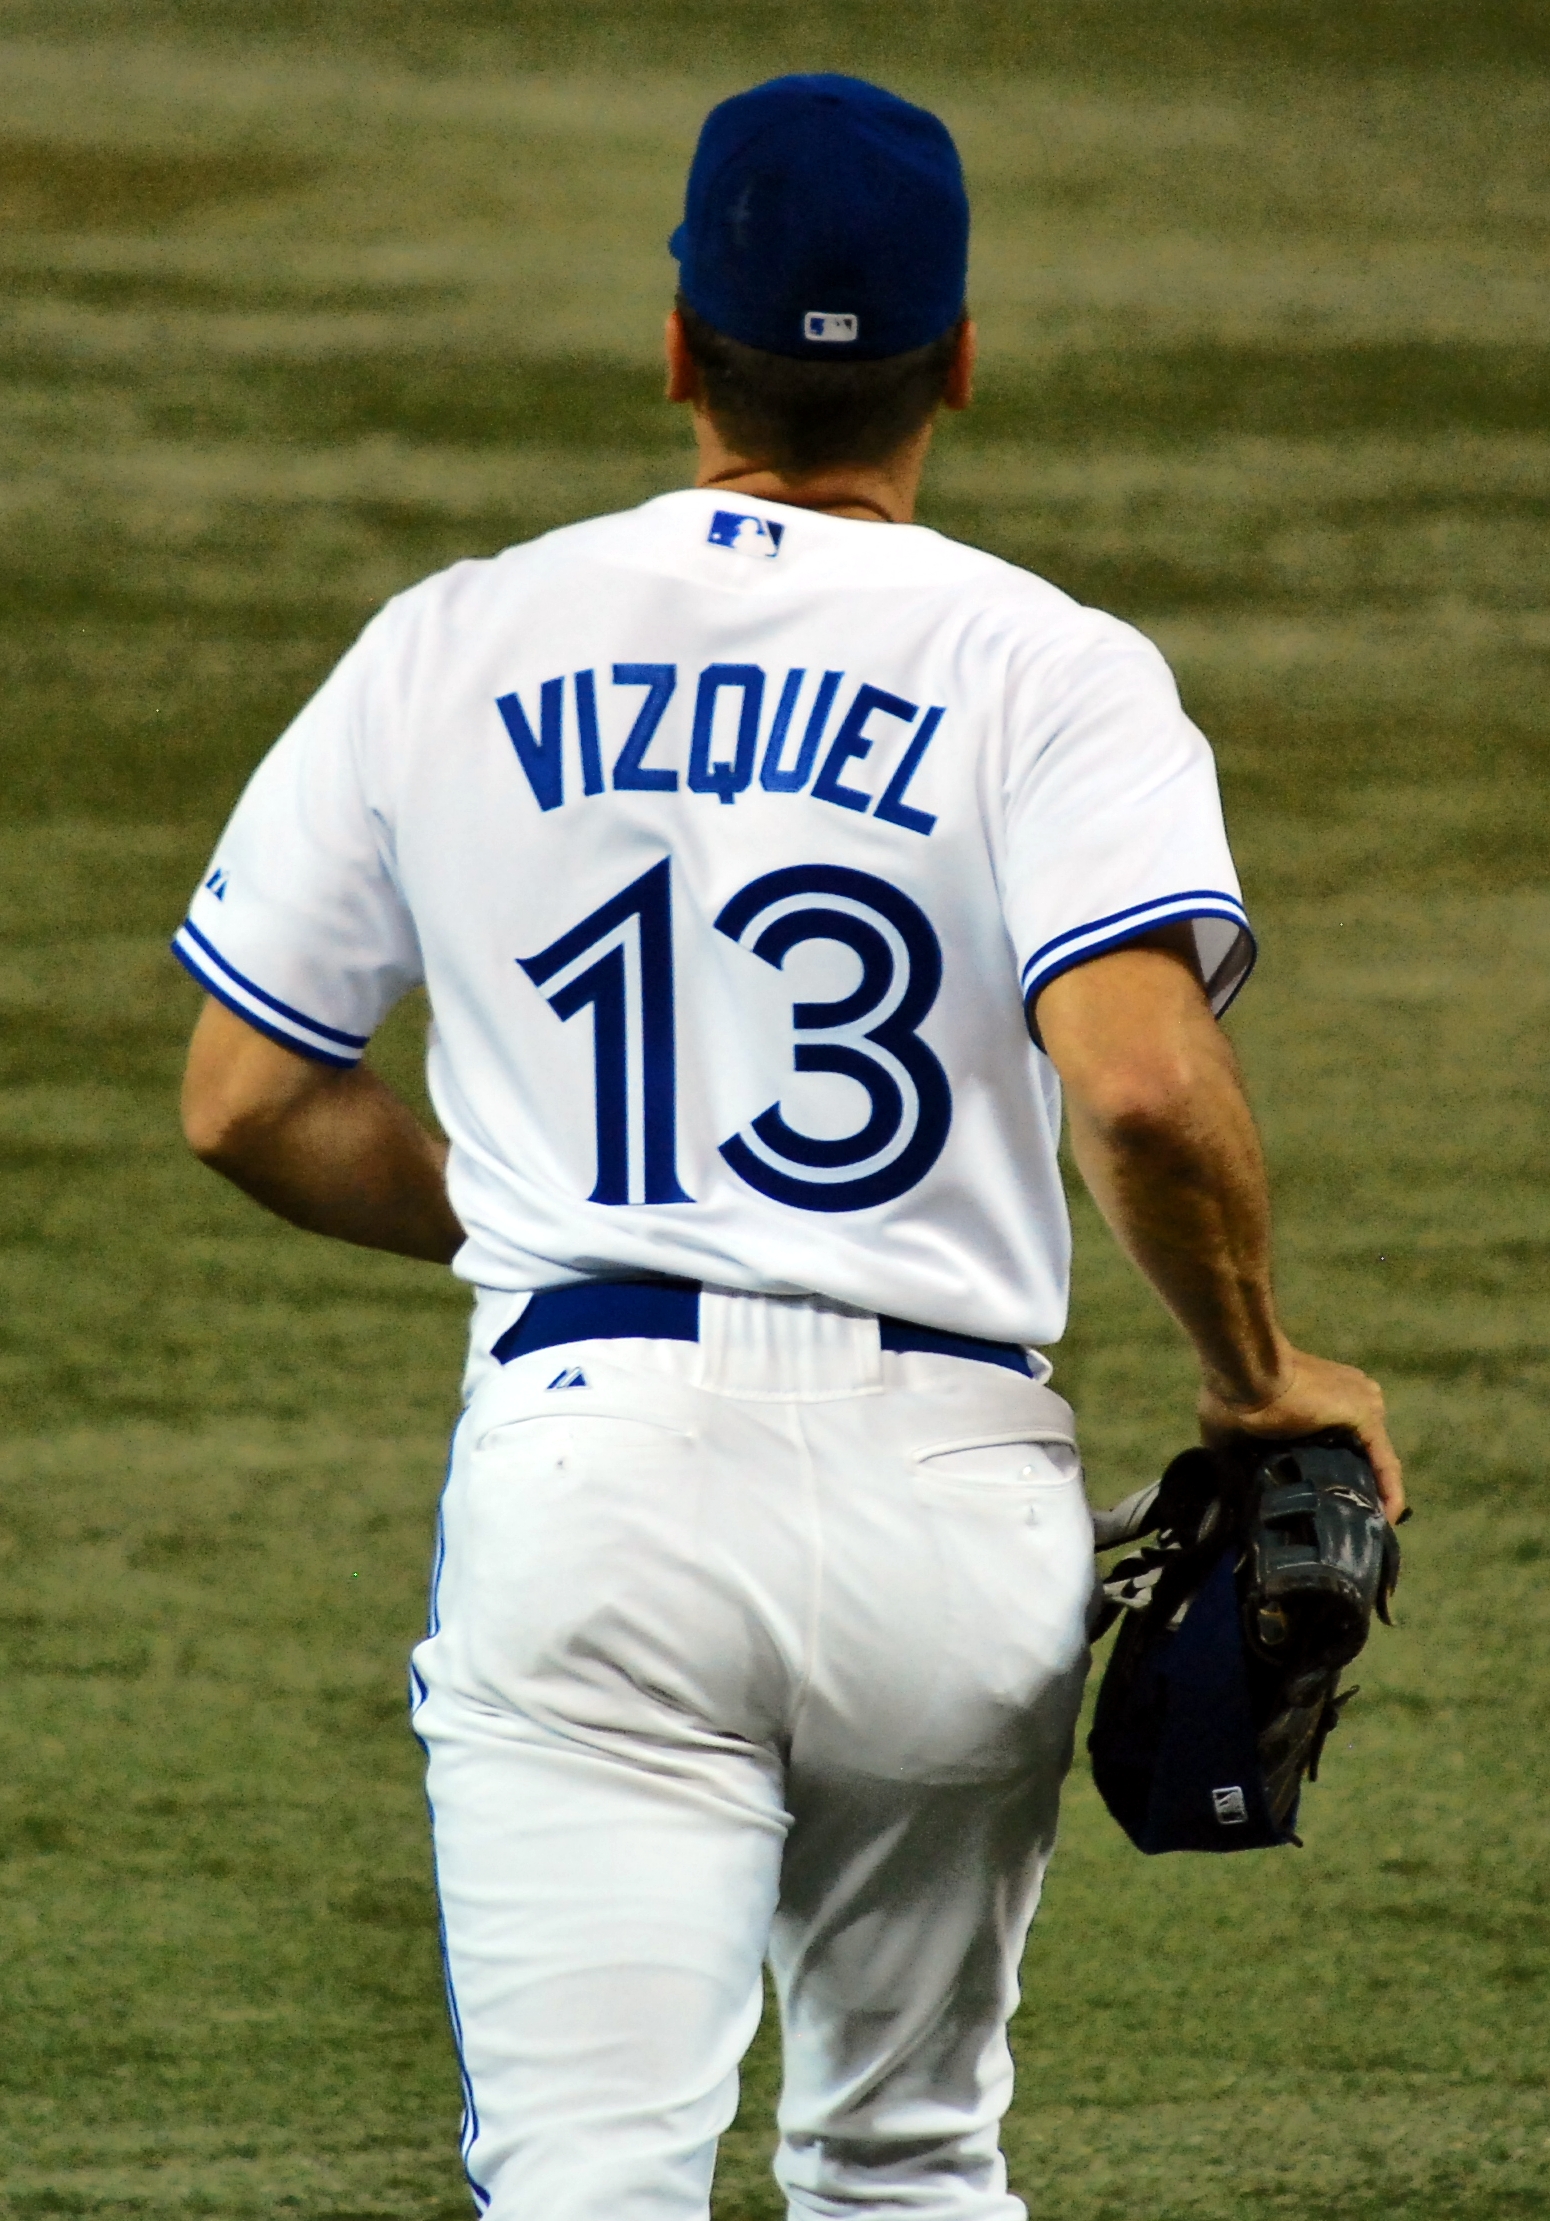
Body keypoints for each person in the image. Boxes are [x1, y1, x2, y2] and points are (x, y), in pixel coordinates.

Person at [176, 73, 1401, 2221]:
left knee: (586, 2185)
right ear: (957, 363)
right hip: (949, 1492)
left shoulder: (450, 641)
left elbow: (248, 1092)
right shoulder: (1050, 664)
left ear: (673, 346)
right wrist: (1255, 1365)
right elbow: (1134, 1077)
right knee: (910, 2164)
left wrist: (557, 1201)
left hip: (597, 1473)